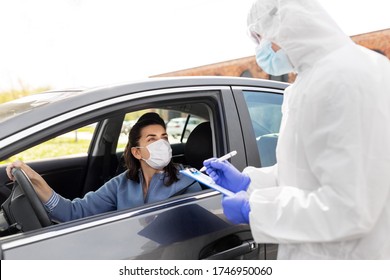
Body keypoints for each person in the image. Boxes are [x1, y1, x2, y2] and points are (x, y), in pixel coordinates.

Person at [204, 0, 390, 259]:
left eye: (261, 38)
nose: (261, 51)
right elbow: (306, 172)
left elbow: (350, 208)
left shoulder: (346, 76)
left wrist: (255, 210)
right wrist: (250, 182)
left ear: (285, 26)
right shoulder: (312, 80)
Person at [6, 112, 201, 222]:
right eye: (152, 139)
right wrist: (34, 178)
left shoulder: (188, 182)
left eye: (164, 138)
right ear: (137, 152)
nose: (162, 144)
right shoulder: (122, 183)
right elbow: (74, 212)